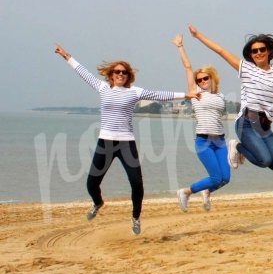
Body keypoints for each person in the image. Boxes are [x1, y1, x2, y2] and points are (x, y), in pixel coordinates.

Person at [54, 44, 198, 235]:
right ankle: (98, 203)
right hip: (105, 142)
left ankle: (135, 217)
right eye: (117, 72)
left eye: (124, 72)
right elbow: (84, 73)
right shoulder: (102, 87)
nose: (120, 74)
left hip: (126, 143)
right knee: (91, 183)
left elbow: (159, 95)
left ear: (128, 75)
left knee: (137, 183)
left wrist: (186, 95)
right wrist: (66, 56)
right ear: (111, 75)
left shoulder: (135, 92)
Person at [188, 10, 273, 174]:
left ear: (268, 50)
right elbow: (221, 51)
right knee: (265, 160)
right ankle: (237, 146)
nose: (258, 53)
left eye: (262, 49)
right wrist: (198, 35)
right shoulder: (246, 69)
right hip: (247, 123)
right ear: (250, 54)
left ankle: (240, 149)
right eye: (254, 51)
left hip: (265, 126)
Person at [171, 34, 230, 212]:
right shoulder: (195, 93)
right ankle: (186, 192)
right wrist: (180, 46)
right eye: (199, 80)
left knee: (225, 178)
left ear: (212, 78)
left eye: (205, 78)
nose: (202, 81)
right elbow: (188, 67)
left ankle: (206, 192)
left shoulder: (220, 96)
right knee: (215, 177)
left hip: (219, 141)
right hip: (203, 141)